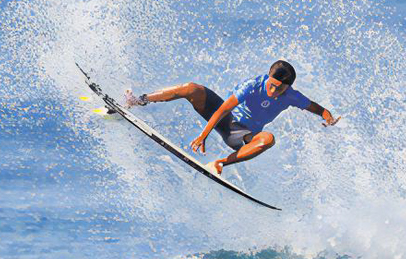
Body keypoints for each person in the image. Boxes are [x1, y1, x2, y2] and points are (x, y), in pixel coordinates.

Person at [124, 60, 339, 175]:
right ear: (268, 77)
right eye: (272, 86)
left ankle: (218, 164)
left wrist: (328, 118)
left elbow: (318, 109)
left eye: (280, 89)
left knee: (268, 139)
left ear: (288, 87)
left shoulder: (292, 96)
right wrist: (203, 135)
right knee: (192, 89)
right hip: (224, 118)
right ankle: (138, 100)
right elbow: (223, 109)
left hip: (240, 135)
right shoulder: (253, 85)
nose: (273, 92)